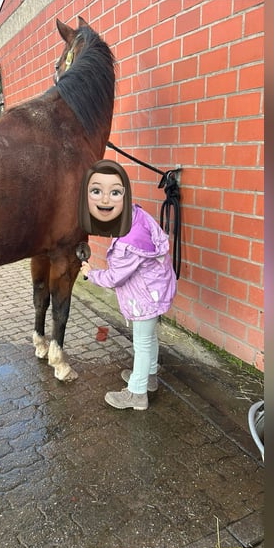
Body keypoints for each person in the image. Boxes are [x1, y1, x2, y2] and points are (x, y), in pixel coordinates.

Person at [79, 159, 177, 411]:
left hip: (145, 297)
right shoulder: (135, 214)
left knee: (142, 344)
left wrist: (91, 273)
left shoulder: (127, 244)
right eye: (97, 192)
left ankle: (136, 393)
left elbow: (114, 278)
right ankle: (149, 378)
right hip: (155, 289)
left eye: (114, 192)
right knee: (149, 338)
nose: (106, 201)